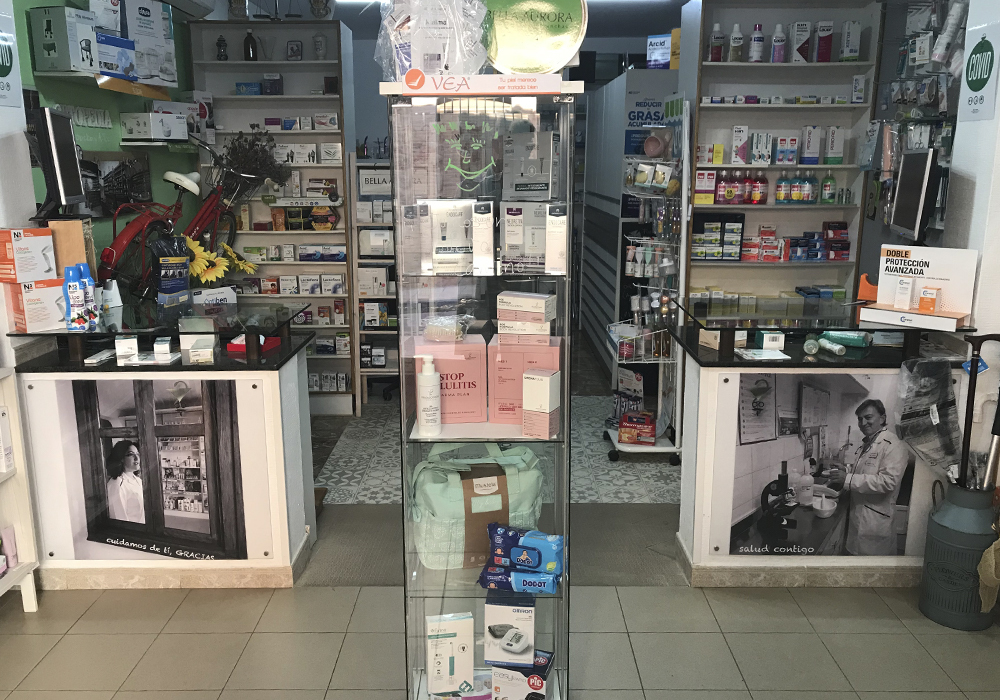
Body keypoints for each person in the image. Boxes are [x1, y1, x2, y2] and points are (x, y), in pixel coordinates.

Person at [828, 399, 909, 555]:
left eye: (868, 417)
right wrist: (845, 470)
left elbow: (887, 482)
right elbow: (865, 472)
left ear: (883, 418)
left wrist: (847, 478)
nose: (863, 422)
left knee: (872, 571)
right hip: (858, 517)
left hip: (875, 521)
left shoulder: (893, 445)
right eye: (860, 419)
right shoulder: (867, 443)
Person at [106, 440, 145, 524]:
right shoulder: (117, 484)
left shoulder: (138, 480)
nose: (137, 458)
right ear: (121, 458)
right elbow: (119, 519)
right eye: (131, 454)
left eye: (137, 454)